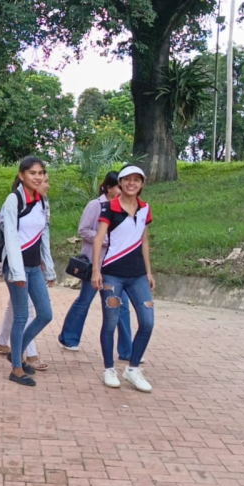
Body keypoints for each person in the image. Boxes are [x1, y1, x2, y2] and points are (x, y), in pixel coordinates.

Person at [58, 172, 135, 376]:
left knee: (122, 306)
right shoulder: (96, 205)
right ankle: (69, 337)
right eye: (118, 186)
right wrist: (104, 239)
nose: (122, 190)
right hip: (95, 263)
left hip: (117, 265)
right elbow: (83, 230)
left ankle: (127, 350)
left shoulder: (125, 207)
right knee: (85, 300)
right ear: (109, 188)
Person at [90, 165, 156, 392]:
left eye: (137, 180)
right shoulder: (110, 208)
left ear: (142, 184)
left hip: (137, 275)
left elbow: (144, 241)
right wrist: (96, 271)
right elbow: (99, 239)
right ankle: (109, 368)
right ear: (120, 183)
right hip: (112, 274)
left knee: (147, 322)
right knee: (110, 322)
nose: (132, 183)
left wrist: (148, 272)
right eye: (127, 179)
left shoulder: (145, 209)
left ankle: (133, 369)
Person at [1, 157, 55, 386]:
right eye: (33, 173)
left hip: (34, 267)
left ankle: (16, 351)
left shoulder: (42, 200)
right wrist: (17, 272)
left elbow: (44, 235)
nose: (38, 177)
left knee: (45, 314)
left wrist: (49, 267)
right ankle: (16, 368)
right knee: (21, 316)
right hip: (17, 268)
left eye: (41, 173)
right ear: (22, 175)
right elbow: (11, 236)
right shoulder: (14, 200)